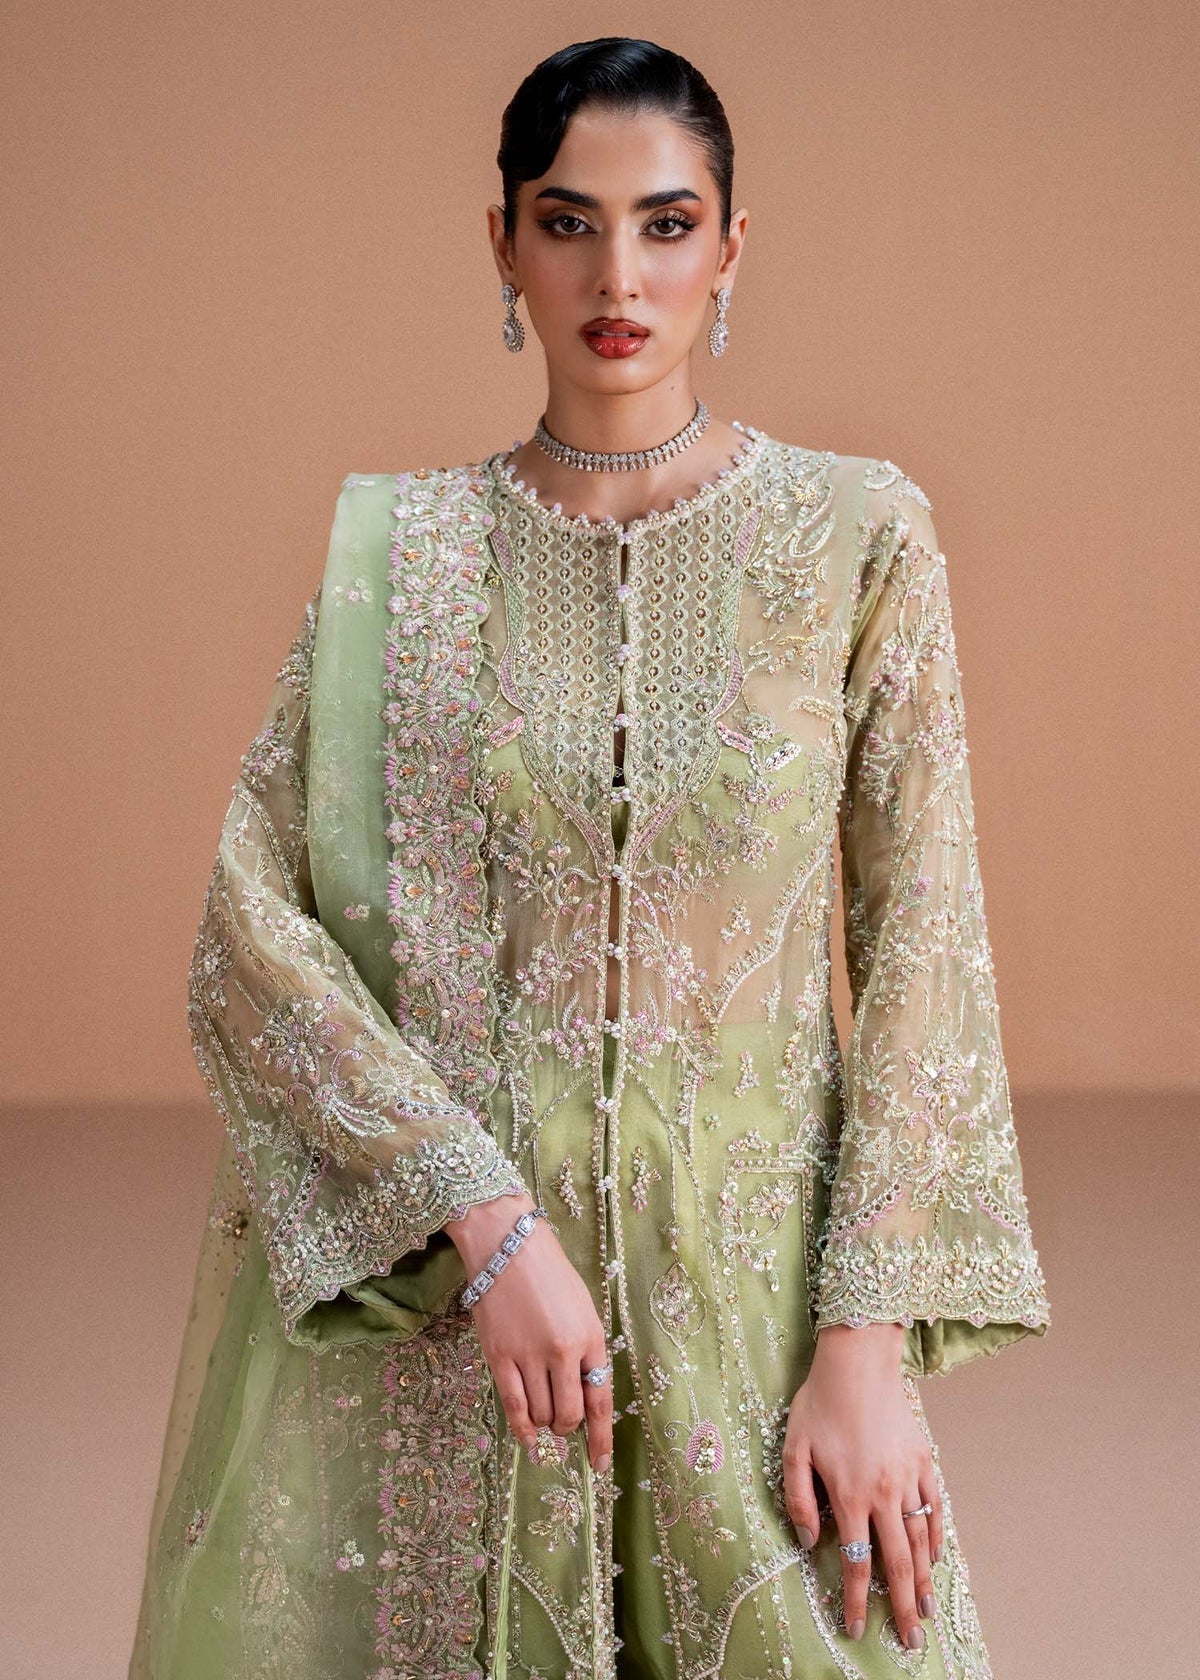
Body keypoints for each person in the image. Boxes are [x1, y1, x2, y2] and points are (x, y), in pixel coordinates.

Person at [128, 35, 1051, 1680]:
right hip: (478, 1335)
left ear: (732, 247)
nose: (619, 276)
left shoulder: (856, 539)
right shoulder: (409, 561)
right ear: (503, 242)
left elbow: (926, 949)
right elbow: (246, 929)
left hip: (755, 1317)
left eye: (666, 224)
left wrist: (866, 1351)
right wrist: (481, 1223)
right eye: (568, 223)